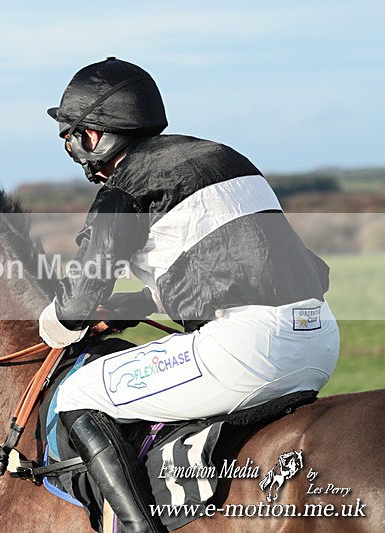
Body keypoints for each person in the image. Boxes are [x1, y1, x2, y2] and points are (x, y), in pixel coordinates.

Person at [38, 57, 339, 532]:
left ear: (92, 136)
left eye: (71, 138)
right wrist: (135, 305)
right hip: (319, 337)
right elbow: (226, 268)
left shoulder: (124, 189)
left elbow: (76, 303)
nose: (74, 151)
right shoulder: (223, 156)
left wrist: (50, 325)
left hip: (249, 349)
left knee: (78, 394)